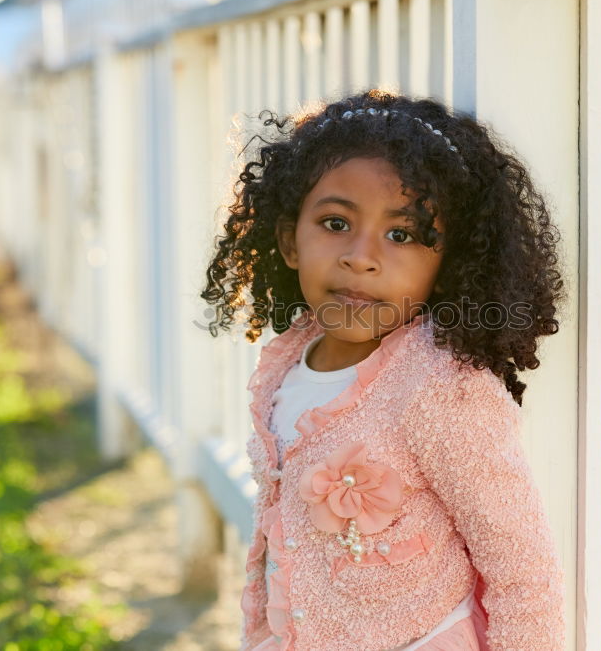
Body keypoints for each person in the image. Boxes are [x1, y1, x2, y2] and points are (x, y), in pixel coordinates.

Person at [200, 89, 566, 650]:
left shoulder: (441, 388)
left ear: (449, 265)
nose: (361, 256)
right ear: (288, 241)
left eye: (402, 235)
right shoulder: (284, 364)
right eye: (335, 223)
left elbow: (522, 571)